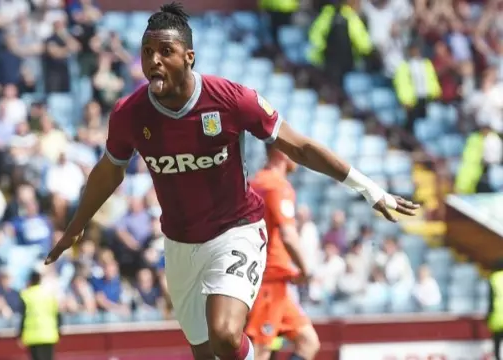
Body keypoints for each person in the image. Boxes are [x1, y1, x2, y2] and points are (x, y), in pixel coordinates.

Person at [45, 3, 419, 360]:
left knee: (226, 336)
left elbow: (301, 147)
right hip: (179, 244)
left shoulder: (231, 100)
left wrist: (369, 188)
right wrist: (77, 225)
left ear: (189, 57)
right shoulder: (129, 114)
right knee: (207, 353)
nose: (153, 60)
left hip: (235, 231)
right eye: (146, 52)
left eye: (165, 51)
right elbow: (110, 170)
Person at [246, 147, 320, 360]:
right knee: (261, 351)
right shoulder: (278, 186)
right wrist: (306, 270)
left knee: (308, 341)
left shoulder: (253, 183)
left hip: (270, 281)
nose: (298, 157)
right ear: (281, 153)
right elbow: (288, 235)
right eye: (294, 151)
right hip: (269, 280)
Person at [18, 269, 61, 360]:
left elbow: (22, 316)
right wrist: (59, 330)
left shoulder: (26, 295)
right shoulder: (49, 294)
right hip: (49, 334)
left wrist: (20, 334)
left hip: (33, 336)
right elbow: (57, 314)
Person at [488, 258, 503, 360]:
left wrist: (488, 314)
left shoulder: (494, 278)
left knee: (497, 342)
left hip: (498, 315)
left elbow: (490, 298)